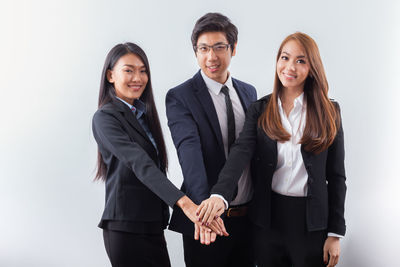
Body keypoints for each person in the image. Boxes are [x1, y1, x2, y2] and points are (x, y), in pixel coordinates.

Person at [197, 32, 347, 267]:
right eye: (285, 58)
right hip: (267, 220)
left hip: (311, 223)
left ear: (313, 67)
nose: (290, 67)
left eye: (301, 60)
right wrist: (219, 195)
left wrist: (335, 233)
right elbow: (240, 154)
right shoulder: (260, 110)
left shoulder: (330, 112)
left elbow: (337, 177)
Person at [92, 42, 225, 267]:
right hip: (126, 227)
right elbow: (140, 163)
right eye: (129, 70)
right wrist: (186, 205)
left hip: (152, 225)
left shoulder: (143, 116)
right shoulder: (105, 118)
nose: (138, 78)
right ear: (110, 75)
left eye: (143, 71)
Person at [166, 13, 257, 267]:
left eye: (219, 47)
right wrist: (206, 214)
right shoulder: (181, 96)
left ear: (233, 48)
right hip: (204, 223)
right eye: (203, 48)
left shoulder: (249, 92)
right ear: (195, 52)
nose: (211, 57)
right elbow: (189, 155)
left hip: (248, 219)